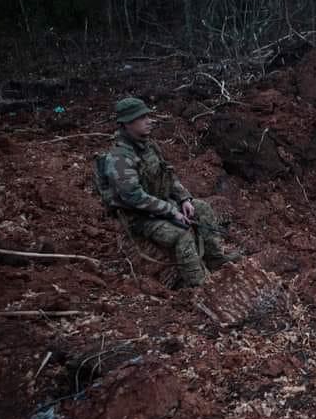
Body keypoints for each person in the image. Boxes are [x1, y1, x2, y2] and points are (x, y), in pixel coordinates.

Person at [97, 97, 234, 287]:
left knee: (202, 208)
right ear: (127, 124)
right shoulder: (119, 158)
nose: (149, 121)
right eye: (141, 118)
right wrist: (170, 211)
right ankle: (199, 285)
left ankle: (215, 259)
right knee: (181, 233)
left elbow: (168, 175)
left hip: (161, 206)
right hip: (139, 217)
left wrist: (184, 199)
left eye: (147, 116)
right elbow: (133, 197)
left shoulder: (150, 146)